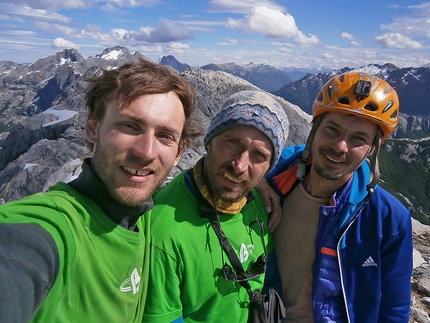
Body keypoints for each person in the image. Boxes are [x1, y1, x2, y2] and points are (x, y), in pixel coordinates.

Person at [0, 57, 199, 323]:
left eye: (165, 136)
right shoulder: (53, 225)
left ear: (179, 152)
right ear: (93, 129)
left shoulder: (144, 218)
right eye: (129, 126)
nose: (146, 152)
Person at [262, 72, 413, 322]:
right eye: (332, 129)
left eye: (358, 139)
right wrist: (256, 181)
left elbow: (394, 309)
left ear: (372, 150)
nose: (340, 146)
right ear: (314, 129)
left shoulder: (388, 218)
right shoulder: (274, 173)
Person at [142, 90, 289, 322]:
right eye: (233, 142)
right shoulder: (162, 232)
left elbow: (270, 279)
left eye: (259, 156)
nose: (240, 166)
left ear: (268, 167)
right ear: (210, 141)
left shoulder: (260, 204)